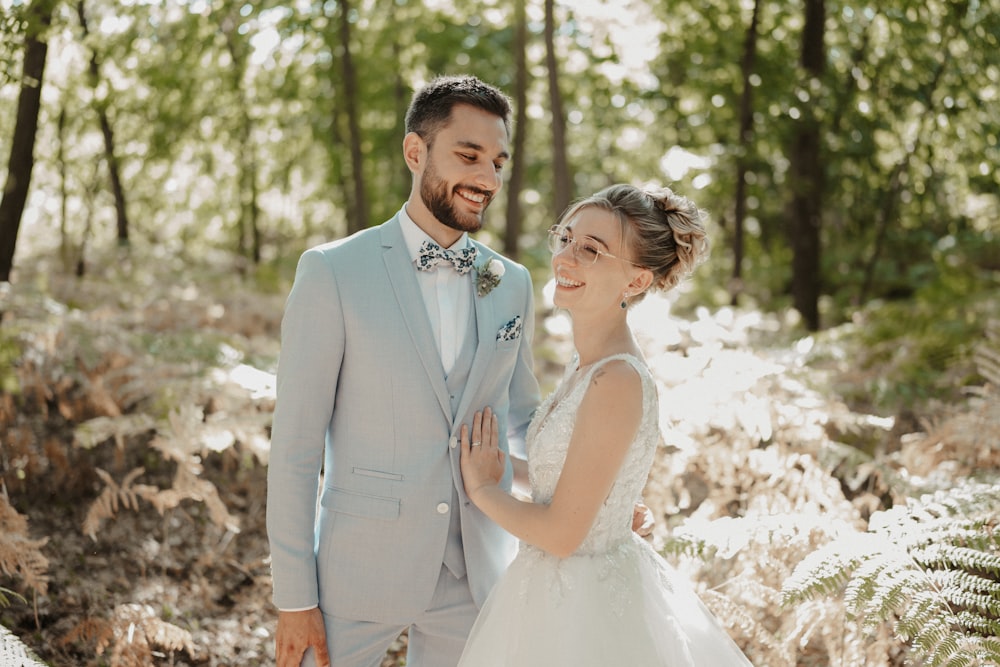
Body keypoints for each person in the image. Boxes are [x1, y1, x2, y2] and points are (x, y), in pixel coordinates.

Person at [266, 75, 653, 667]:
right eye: (469, 156)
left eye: (498, 161)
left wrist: (589, 496)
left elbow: (522, 416)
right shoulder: (333, 272)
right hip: (358, 572)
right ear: (415, 152)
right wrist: (294, 597)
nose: (488, 179)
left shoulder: (511, 282)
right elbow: (295, 447)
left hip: (477, 573)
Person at [457, 183, 755, 666]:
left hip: (585, 608)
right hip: (549, 596)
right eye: (567, 239)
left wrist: (484, 491)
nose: (566, 259)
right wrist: (483, 460)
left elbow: (562, 535)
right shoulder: (587, 367)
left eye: (591, 250)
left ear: (636, 282)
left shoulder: (615, 379)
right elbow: (569, 482)